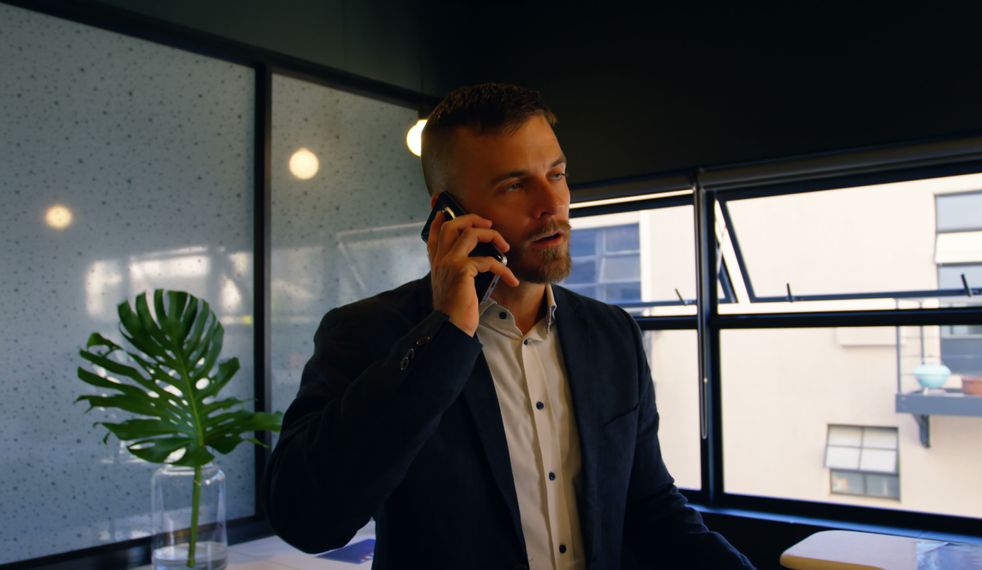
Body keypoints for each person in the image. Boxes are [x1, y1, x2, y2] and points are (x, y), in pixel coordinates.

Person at [263, 83, 754, 569]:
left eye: (557, 174)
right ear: (447, 212)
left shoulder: (612, 333)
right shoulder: (369, 332)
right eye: (515, 185)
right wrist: (446, 335)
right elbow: (307, 520)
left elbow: (647, 504)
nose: (551, 204)